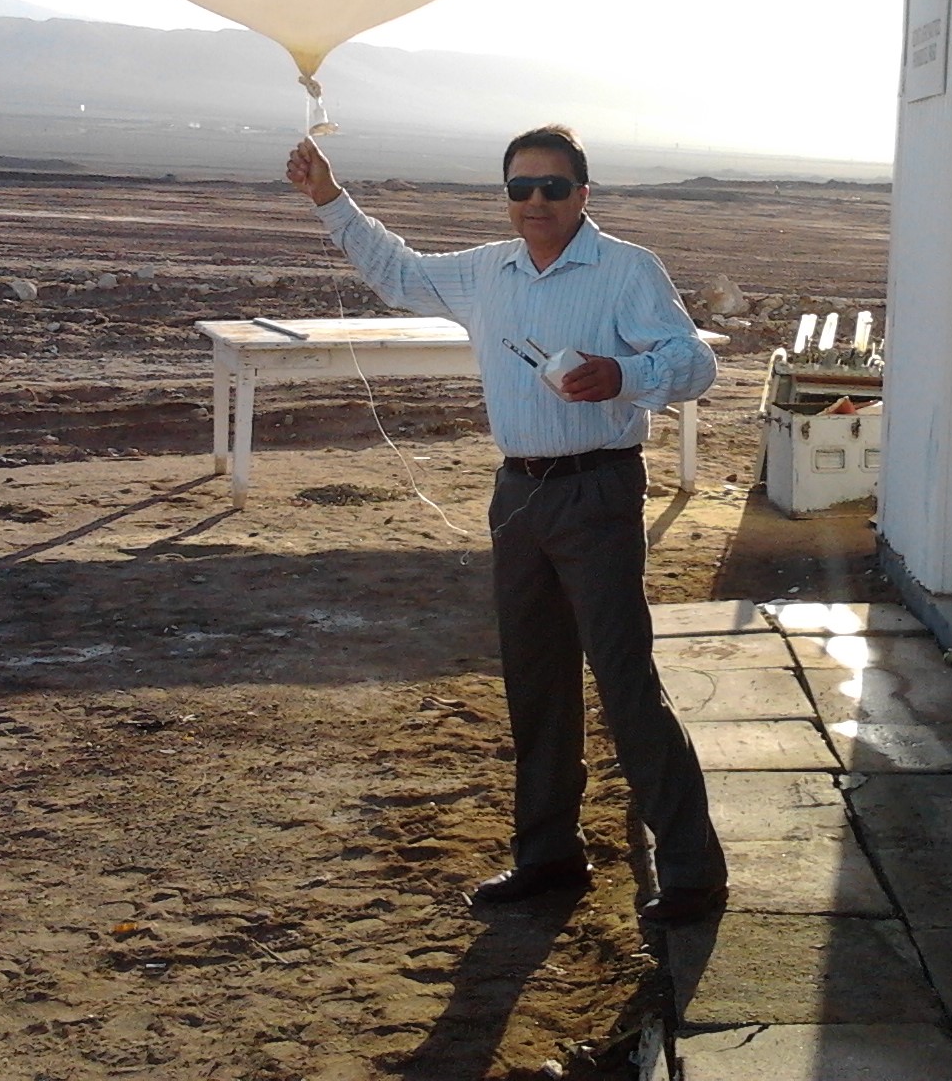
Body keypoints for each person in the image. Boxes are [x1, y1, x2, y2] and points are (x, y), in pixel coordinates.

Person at [285, 124, 728, 925]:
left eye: (553, 188)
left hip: (598, 492)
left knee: (625, 683)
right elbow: (398, 273)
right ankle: (550, 855)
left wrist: (623, 374)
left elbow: (696, 363)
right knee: (535, 680)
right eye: (520, 188)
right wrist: (329, 198)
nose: (535, 203)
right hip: (518, 497)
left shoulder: (628, 270)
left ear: (583, 194)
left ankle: (694, 872)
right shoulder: (488, 272)